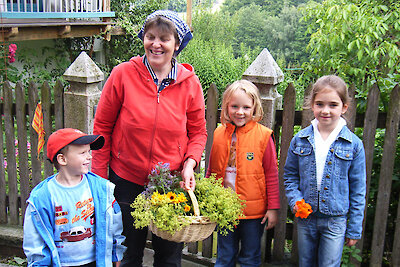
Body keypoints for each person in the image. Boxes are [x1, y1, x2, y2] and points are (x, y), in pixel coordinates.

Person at [91, 10, 207, 267]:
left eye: (164, 39)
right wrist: (100, 179)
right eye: (150, 37)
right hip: (125, 180)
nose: (156, 44)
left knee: (169, 258)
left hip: (169, 185)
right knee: (128, 255)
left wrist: (190, 163)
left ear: (177, 44)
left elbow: (198, 132)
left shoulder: (190, 84)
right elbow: (102, 128)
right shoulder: (122, 74)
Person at [284, 75, 367, 266]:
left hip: (335, 220)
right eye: (320, 104)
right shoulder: (300, 139)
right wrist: (295, 200)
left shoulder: (353, 144)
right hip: (306, 218)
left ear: (344, 107)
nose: (325, 110)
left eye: (333, 105)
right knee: (306, 262)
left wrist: (354, 228)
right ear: (312, 105)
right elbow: (290, 176)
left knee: (329, 264)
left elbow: (358, 189)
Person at [23, 128, 126, 267]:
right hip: (62, 263)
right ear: (62, 159)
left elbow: (114, 224)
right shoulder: (42, 197)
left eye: (89, 151)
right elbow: (35, 241)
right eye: (83, 153)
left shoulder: (100, 188)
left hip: (96, 261)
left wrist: (116, 254)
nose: (89, 156)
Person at [206, 80, 280, 267]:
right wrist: (206, 198)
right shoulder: (219, 133)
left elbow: (271, 173)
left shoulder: (263, 136)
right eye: (235, 106)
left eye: (246, 107)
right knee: (224, 256)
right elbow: (212, 169)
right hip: (225, 209)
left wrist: (273, 208)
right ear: (226, 107)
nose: (240, 112)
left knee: (249, 258)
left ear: (254, 107)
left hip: (253, 214)